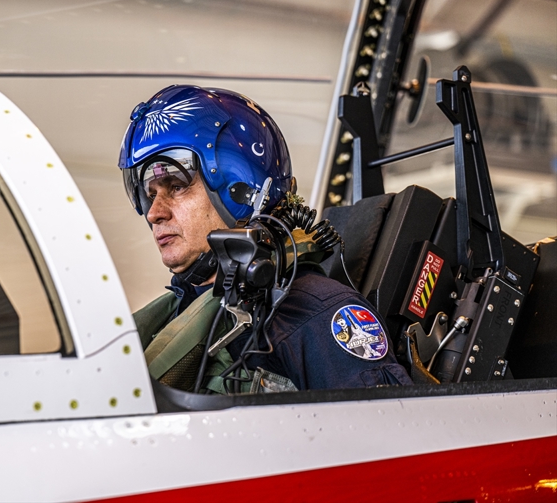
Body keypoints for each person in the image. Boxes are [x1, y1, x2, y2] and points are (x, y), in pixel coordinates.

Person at [119, 85, 412, 394]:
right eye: (150, 195)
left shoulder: (314, 315)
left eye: (176, 187)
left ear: (240, 187)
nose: (154, 213)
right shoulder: (179, 313)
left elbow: (388, 421)